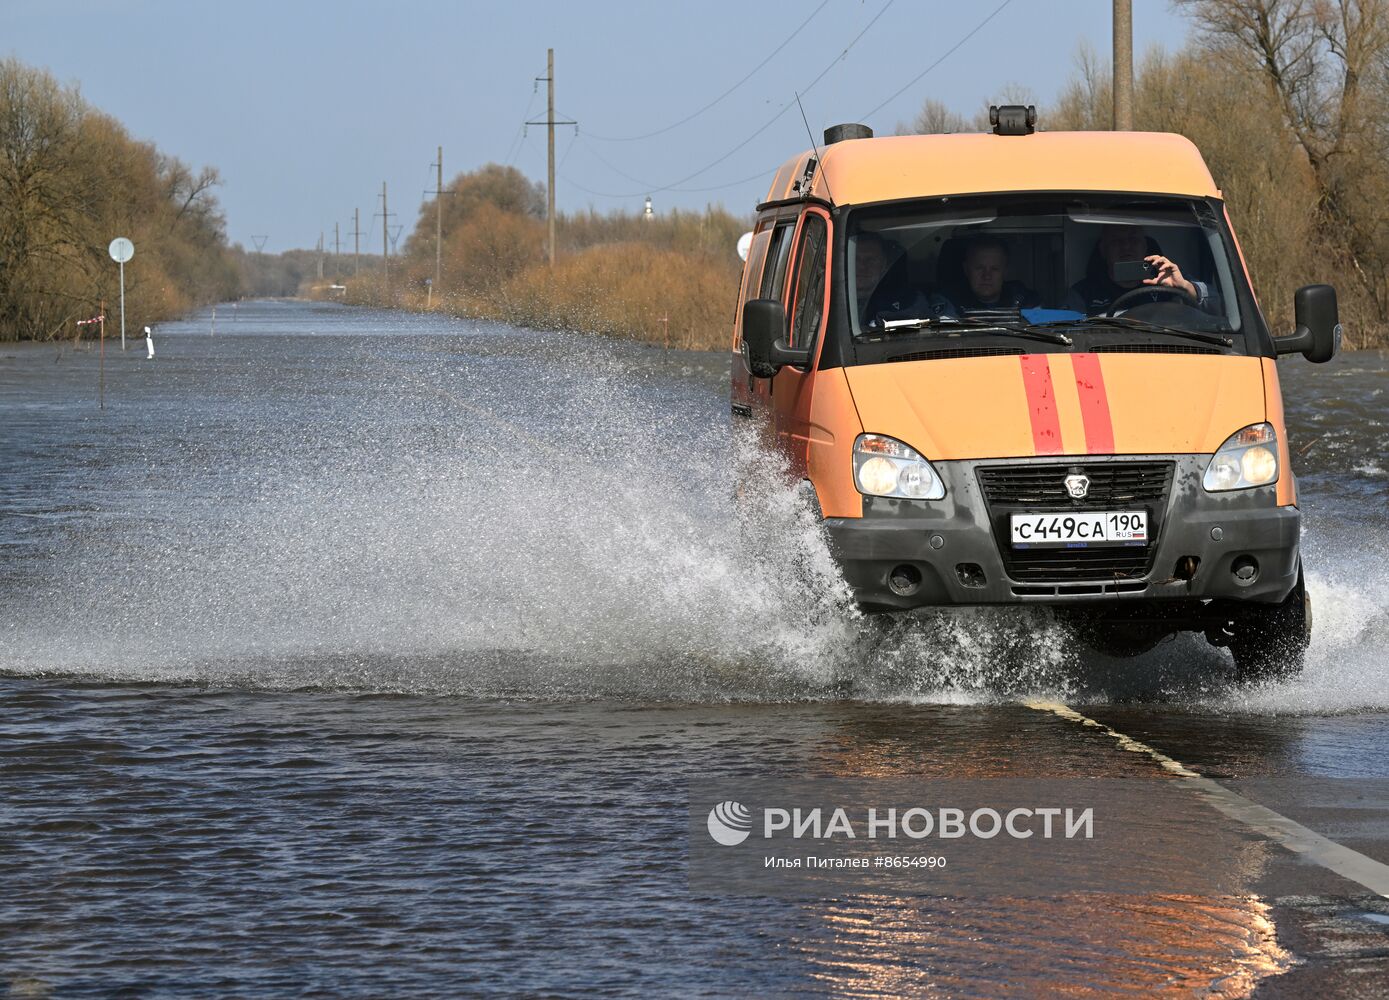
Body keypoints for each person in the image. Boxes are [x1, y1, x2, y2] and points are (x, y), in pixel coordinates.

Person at [1066, 224, 1218, 315]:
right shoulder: (1082, 293)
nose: (1126, 246)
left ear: (1145, 246)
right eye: (1116, 241)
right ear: (1103, 250)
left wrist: (1185, 287)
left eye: (1133, 239)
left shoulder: (1169, 279)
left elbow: (1225, 310)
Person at [854, 232, 951, 330]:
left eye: (871, 260)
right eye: (856, 260)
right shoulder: (839, 304)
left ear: (884, 265)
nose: (862, 266)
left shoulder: (910, 302)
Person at [954, 237, 1039, 310]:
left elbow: (1042, 325)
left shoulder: (1024, 299)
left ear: (1005, 271)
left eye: (994, 269)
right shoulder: (949, 303)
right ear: (966, 269)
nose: (987, 276)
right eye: (979, 268)